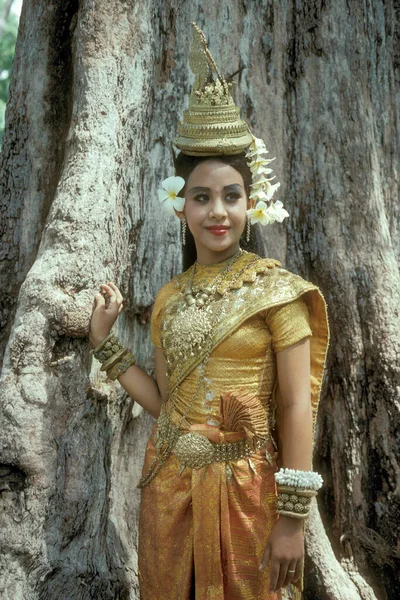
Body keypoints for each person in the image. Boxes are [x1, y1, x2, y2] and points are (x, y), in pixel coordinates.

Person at [89, 24, 330, 600]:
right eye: (201, 197)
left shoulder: (278, 292)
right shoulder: (170, 298)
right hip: (170, 487)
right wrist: (106, 344)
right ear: (181, 208)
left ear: (253, 204)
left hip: (250, 492)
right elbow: (165, 404)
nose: (216, 211)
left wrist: (293, 516)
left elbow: (298, 404)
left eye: (231, 196)